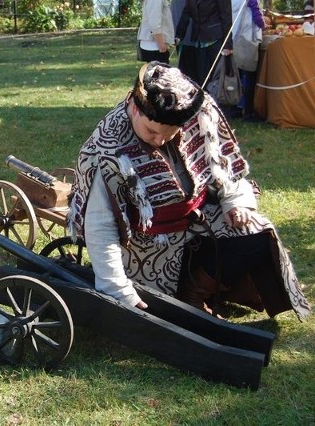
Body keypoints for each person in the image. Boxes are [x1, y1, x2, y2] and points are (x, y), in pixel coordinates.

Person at [68, 61, 310, 321]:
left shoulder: (197, 112)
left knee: (256, 233)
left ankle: (196, 290)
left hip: (200, 220)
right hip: (149, 247)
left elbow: (221, 163)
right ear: (134, 107)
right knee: (162, 295)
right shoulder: (104, 149)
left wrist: (233, 201)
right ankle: (187, 295)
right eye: (152, 132)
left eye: (169, 134)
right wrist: (119, 289)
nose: (159, 140)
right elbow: (100, 227)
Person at [174, 0, 233, 86]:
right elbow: (186, 13)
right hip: (199, 41)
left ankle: (215, 98)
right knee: (202, 78)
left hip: (216, 40)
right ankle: (204, 96)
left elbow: (226, 17)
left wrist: (228, 44)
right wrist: (179, 35)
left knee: (215, 79)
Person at [231, 0, 265, 120]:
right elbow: (257, 18)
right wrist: (264, 25)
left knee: (237, 77)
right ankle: (248, 111)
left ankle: (235, 109)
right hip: (248, 39)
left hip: (234, 38)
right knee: (250, 77)